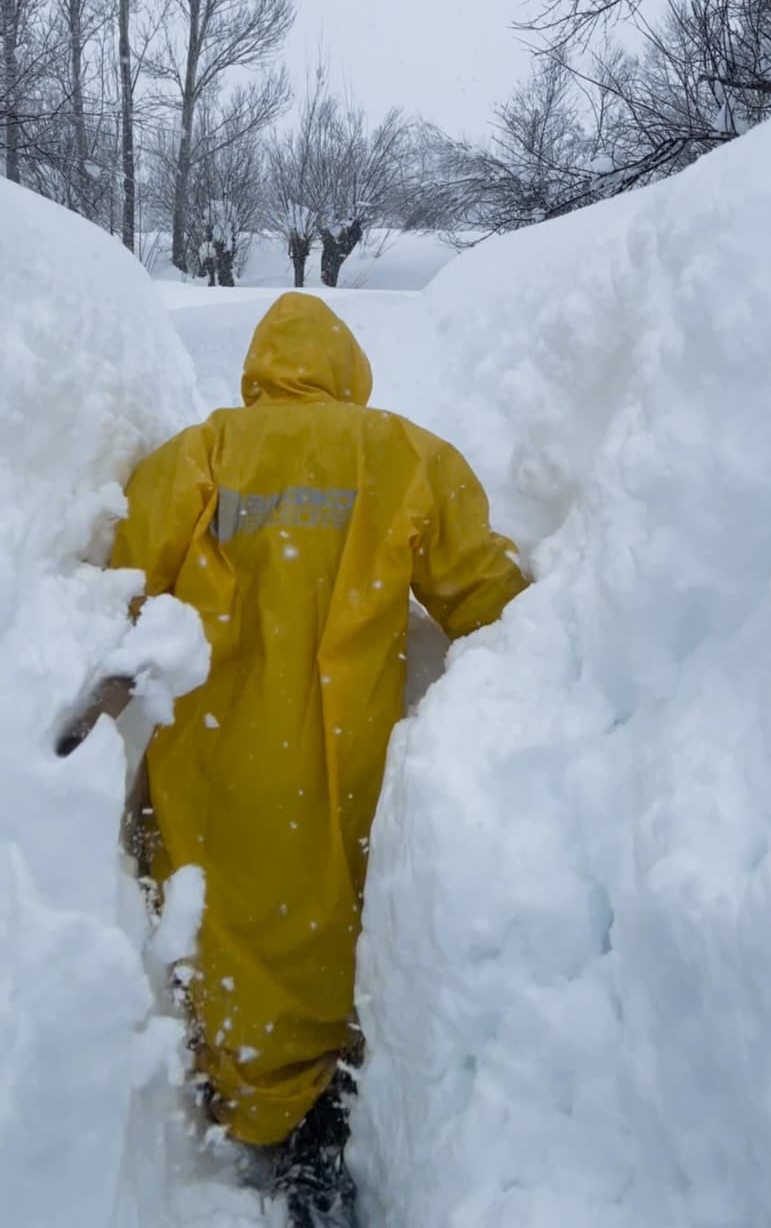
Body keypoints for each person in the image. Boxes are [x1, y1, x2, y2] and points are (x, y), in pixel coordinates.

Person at [94, 293, 526, 1221]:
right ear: (345, 367)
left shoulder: (201, 453)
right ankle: (320, 1106)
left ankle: (254, 1096)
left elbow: (121, 585)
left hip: (216, 753)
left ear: (260, 365)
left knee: (228, 920)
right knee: (328, 921)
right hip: (343, 752)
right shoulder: (402, 452)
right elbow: (484, 593)